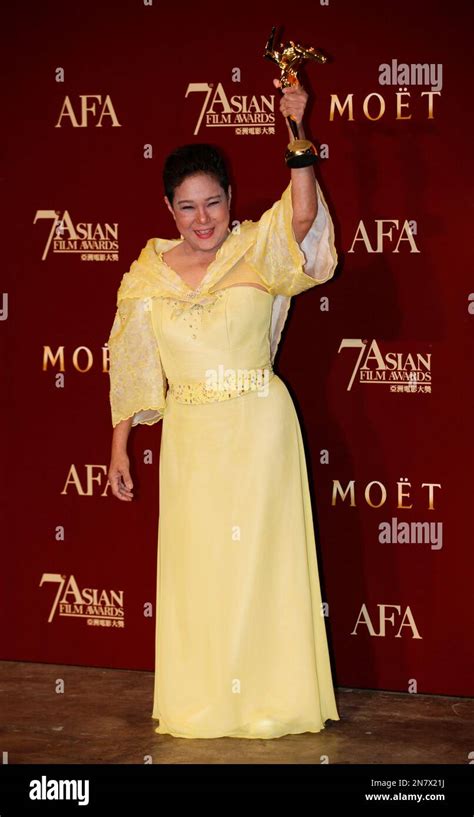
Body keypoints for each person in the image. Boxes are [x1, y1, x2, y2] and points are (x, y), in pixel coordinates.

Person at [106, 80, 340, 739]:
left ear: (232, 200)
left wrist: (298, 135)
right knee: (202, 569)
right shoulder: (146, 276)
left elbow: (300, 221)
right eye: (187, 207)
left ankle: (272, 697)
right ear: (168, 208)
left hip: (260, 430)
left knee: (262, 562)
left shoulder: (254, 250)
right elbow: (132, 363)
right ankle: (205, 701)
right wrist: (120, 446)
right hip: (192, 440)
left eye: (213, 202)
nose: (202, 218)